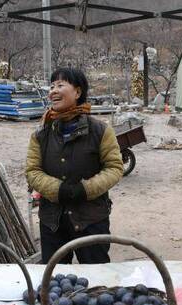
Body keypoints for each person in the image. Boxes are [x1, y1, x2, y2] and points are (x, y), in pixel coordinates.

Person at [26, 68, 123, 264]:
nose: (53, 90)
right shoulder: (41, 134)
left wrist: (84, 189)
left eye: (60, 85)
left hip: (91, 219)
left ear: (77, 92)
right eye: (52, 86)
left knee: (97, 278)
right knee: (54, 281)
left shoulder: (100, 130)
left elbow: (114, 168)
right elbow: (32, 171)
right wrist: (58, 190)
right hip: (52, 221)